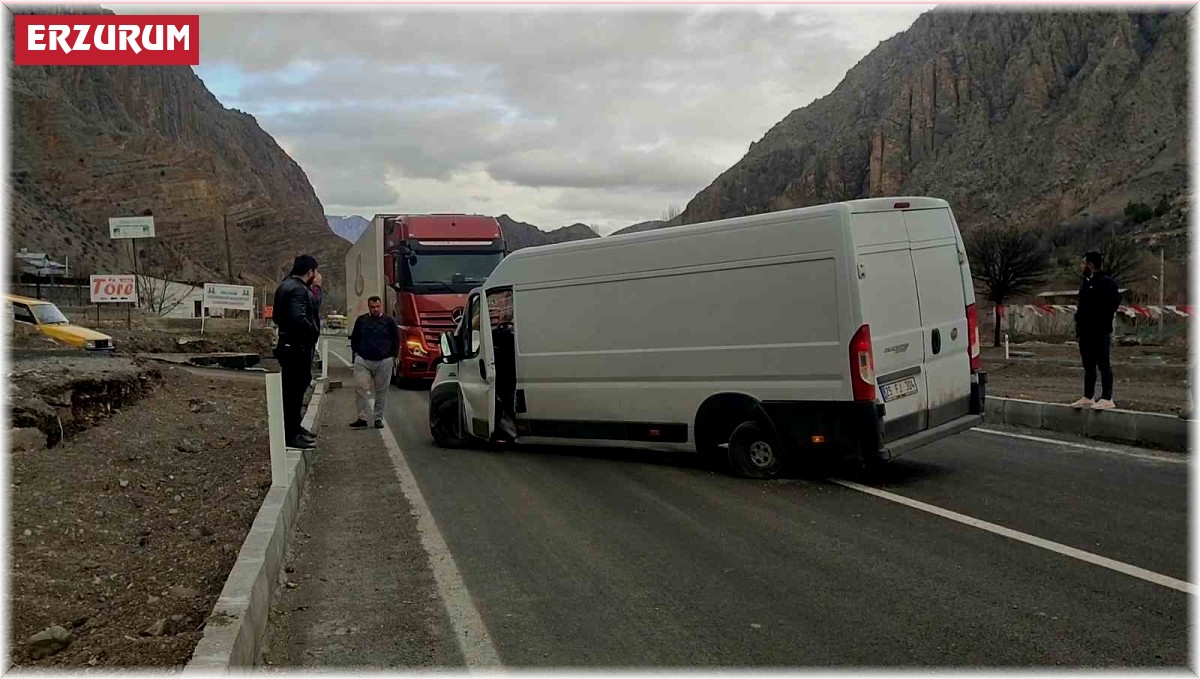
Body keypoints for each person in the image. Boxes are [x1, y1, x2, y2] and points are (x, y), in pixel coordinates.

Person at [273, 255, 322, 449]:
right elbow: (299, 318)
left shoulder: (285, 286)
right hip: (296, 348)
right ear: (309, 272)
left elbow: (278, 317)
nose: (316, 276)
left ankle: (294, 427)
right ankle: (291, 434)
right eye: (315, 272)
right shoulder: (299, 290)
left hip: (289, 345)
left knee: (294, 391)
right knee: (294, 392)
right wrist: (313, 331)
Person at [1071, 251, 1122, 410]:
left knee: (1103, 364)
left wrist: (1101, 321)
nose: (1081, 267)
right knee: (1088, 365)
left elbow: (1113, 304)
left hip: (1099, 332)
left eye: (1083, 263)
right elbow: (1082, 309)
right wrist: (1079, 329)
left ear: (1090, 265)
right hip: (1085, 332)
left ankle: (1107, 397)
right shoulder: (1085, 284)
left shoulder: (1107, 283)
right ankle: (1088, 395)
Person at [349, 295, 399, 429]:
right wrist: (356, 353)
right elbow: (355, 337)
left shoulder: (389, 321)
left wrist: (393, 357)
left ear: (381, 306)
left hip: (384, 360)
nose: (375, 309)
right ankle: (361, 417)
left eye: (377, 307)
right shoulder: (362, 320)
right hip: (364, 359)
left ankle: (378, 418)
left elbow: (396, 339)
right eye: (372, 307)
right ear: (369, 307)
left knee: (381, 391)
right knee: (360, 387)